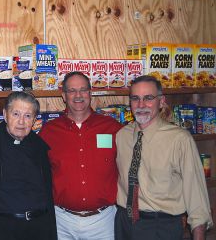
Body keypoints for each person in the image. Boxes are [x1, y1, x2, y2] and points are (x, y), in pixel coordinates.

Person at [115, 75, 213, 240]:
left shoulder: (180, 139)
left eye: (148, 98)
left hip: (160, 226)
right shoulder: (121, 136)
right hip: (123, 222)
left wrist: (198, 234)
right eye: (135, 98)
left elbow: (196, 196)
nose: (141, 105)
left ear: (161, 101)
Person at [39, 71, 123, 240]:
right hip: (62, 220)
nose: (78, 96)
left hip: (104, 220)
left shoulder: (112, 128)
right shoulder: (49, 132)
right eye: (72, 91)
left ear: (90, 93)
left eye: (83, 90)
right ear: (64, 96)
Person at [0, 91, 57, 240]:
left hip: (39, 228)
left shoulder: (41, 147)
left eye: (28, 116)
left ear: (34, 120)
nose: (21, 122)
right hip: (2, 229)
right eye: (16, 114)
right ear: (5, 114)